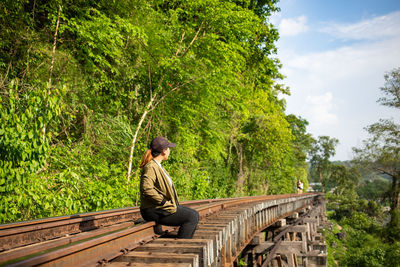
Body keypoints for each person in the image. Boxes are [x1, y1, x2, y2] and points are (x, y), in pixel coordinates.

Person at [139, 136, 199, 239]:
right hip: (154, 209)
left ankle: (183, 241)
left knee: (192, 214)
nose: (169, 151)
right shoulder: (151, 167)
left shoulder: (158, 166)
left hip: (159, 208)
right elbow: (146, 189)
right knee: (192, 216)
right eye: (168, 148)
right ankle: (182, 245)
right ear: (164, 151)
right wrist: (163, 202)